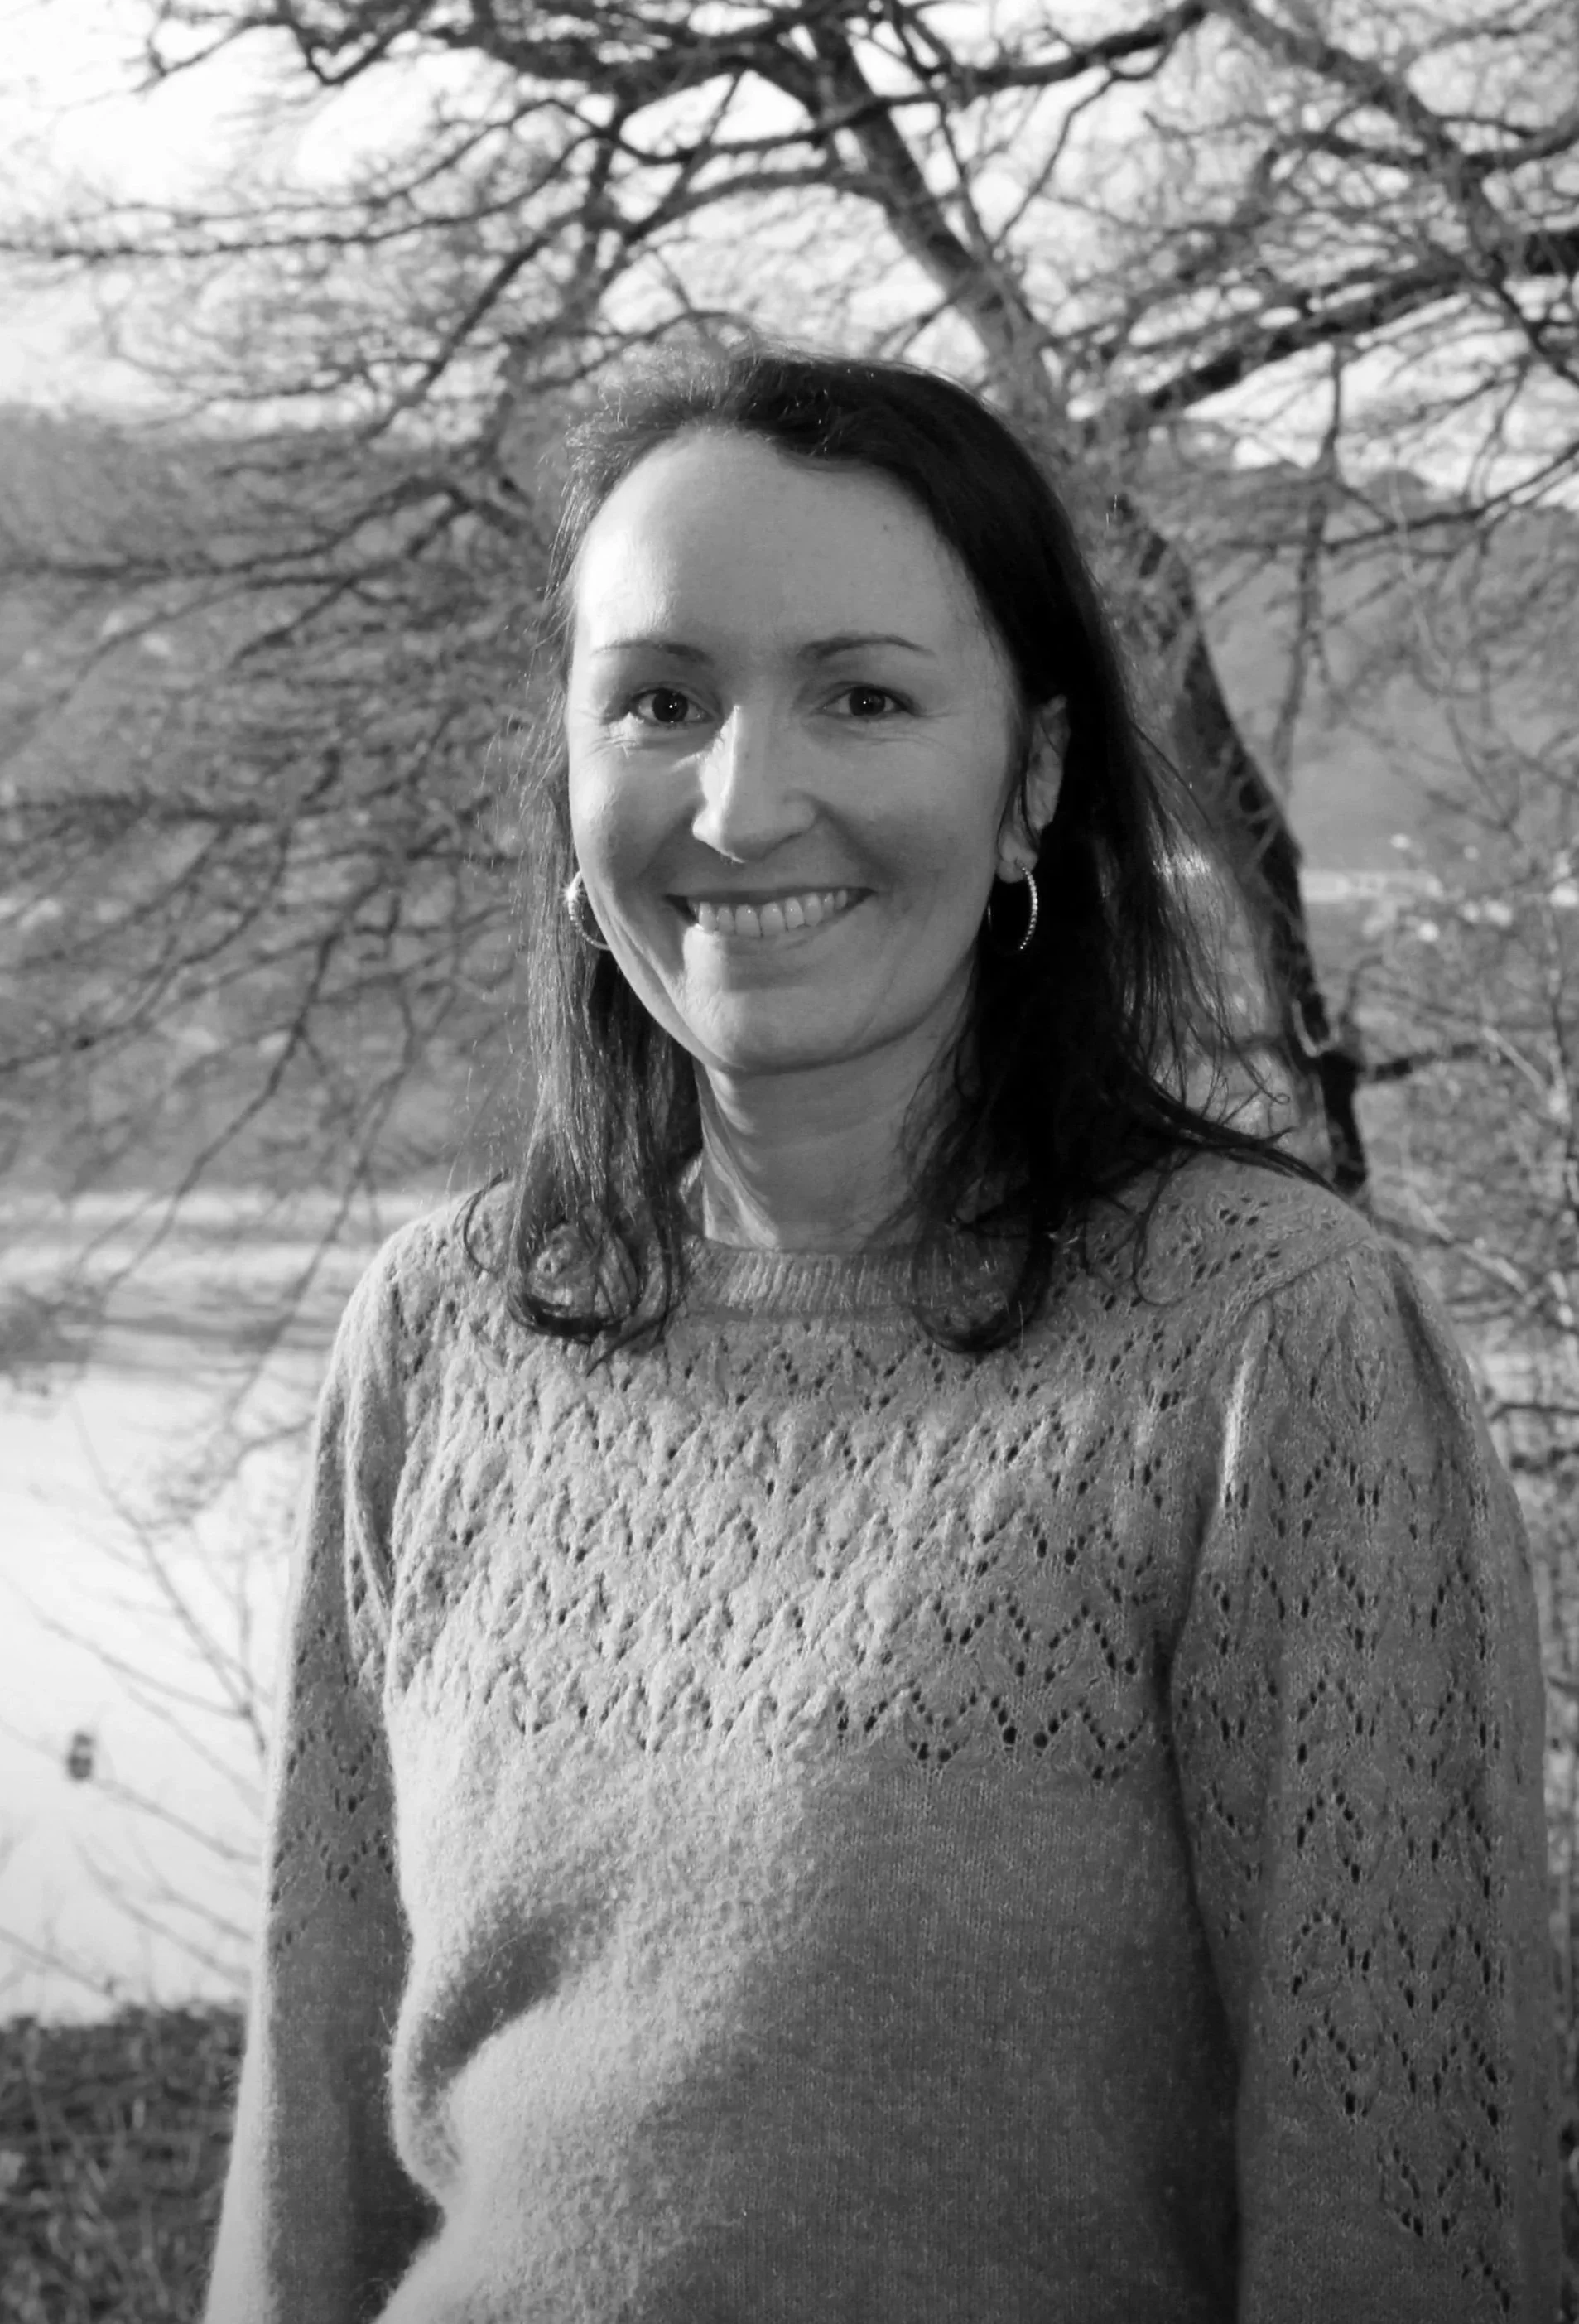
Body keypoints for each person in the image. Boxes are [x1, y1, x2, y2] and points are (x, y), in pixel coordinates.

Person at [204, 344, 1559, 2324]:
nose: (743, 800)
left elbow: (1403, 2218)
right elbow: (308, 2164)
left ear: (1030, 772)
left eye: (861, 693)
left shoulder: (1270, 1344)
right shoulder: (440, 1334)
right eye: (659, 700)